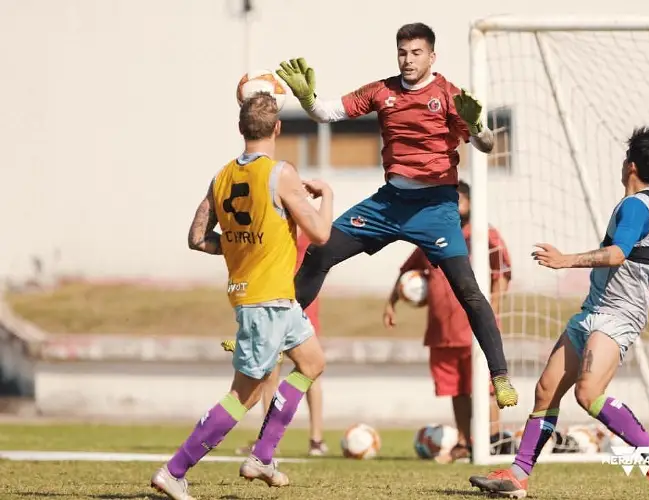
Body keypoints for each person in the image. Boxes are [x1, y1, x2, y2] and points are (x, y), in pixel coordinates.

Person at [276, 22, 518, 410]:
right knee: (320, 251)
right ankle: (271, 331)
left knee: (468, 290)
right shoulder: (382, 91)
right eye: (403, 53)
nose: (408, 60)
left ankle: (500, 376)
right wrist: (306, 99)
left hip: (436, 208)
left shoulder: (449, 95)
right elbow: (326, 113)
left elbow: (487, 146)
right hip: (389, 204)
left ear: (432, 57)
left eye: (416, 53)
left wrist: (476, 126)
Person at [469, 127, 649, 500]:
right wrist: (647, 241)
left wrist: (564, 261)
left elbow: (618, 254)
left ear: (630, 165)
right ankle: (518, 476)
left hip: (618, 314)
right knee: (546, 390)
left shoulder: (635, 205)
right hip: (594, 309)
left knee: (588, 394)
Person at [150, 92, 334, 500]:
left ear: (240, 129)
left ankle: (263, 455)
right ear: (278, 128)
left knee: (312, 361)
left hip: (274, 299)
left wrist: (236, 248)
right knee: (244, 396)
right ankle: (174, 470)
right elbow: (320, 234)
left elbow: (197, 238)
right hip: (265, 301)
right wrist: (328, 196)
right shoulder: (280, 173)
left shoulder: (221, 177)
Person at [383, 180, 511, 462]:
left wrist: (494, 309)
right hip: (443, 330)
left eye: (460, 200)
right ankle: (465, 442)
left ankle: (493, 439)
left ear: (470, 202)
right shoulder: (432, 235)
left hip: (475, 329)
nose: (455, 205)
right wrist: (392, 302)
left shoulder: (483, 235)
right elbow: (408, 271)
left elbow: (502, 272)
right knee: (457, 391)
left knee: (487, 388)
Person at [224, 228, 328, 457]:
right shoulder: (275, 216)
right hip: (271, 298)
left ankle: (316, 438)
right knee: (271, 372)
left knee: (311, 368)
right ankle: (270, 439)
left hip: (301, 300)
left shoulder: (308, 222)